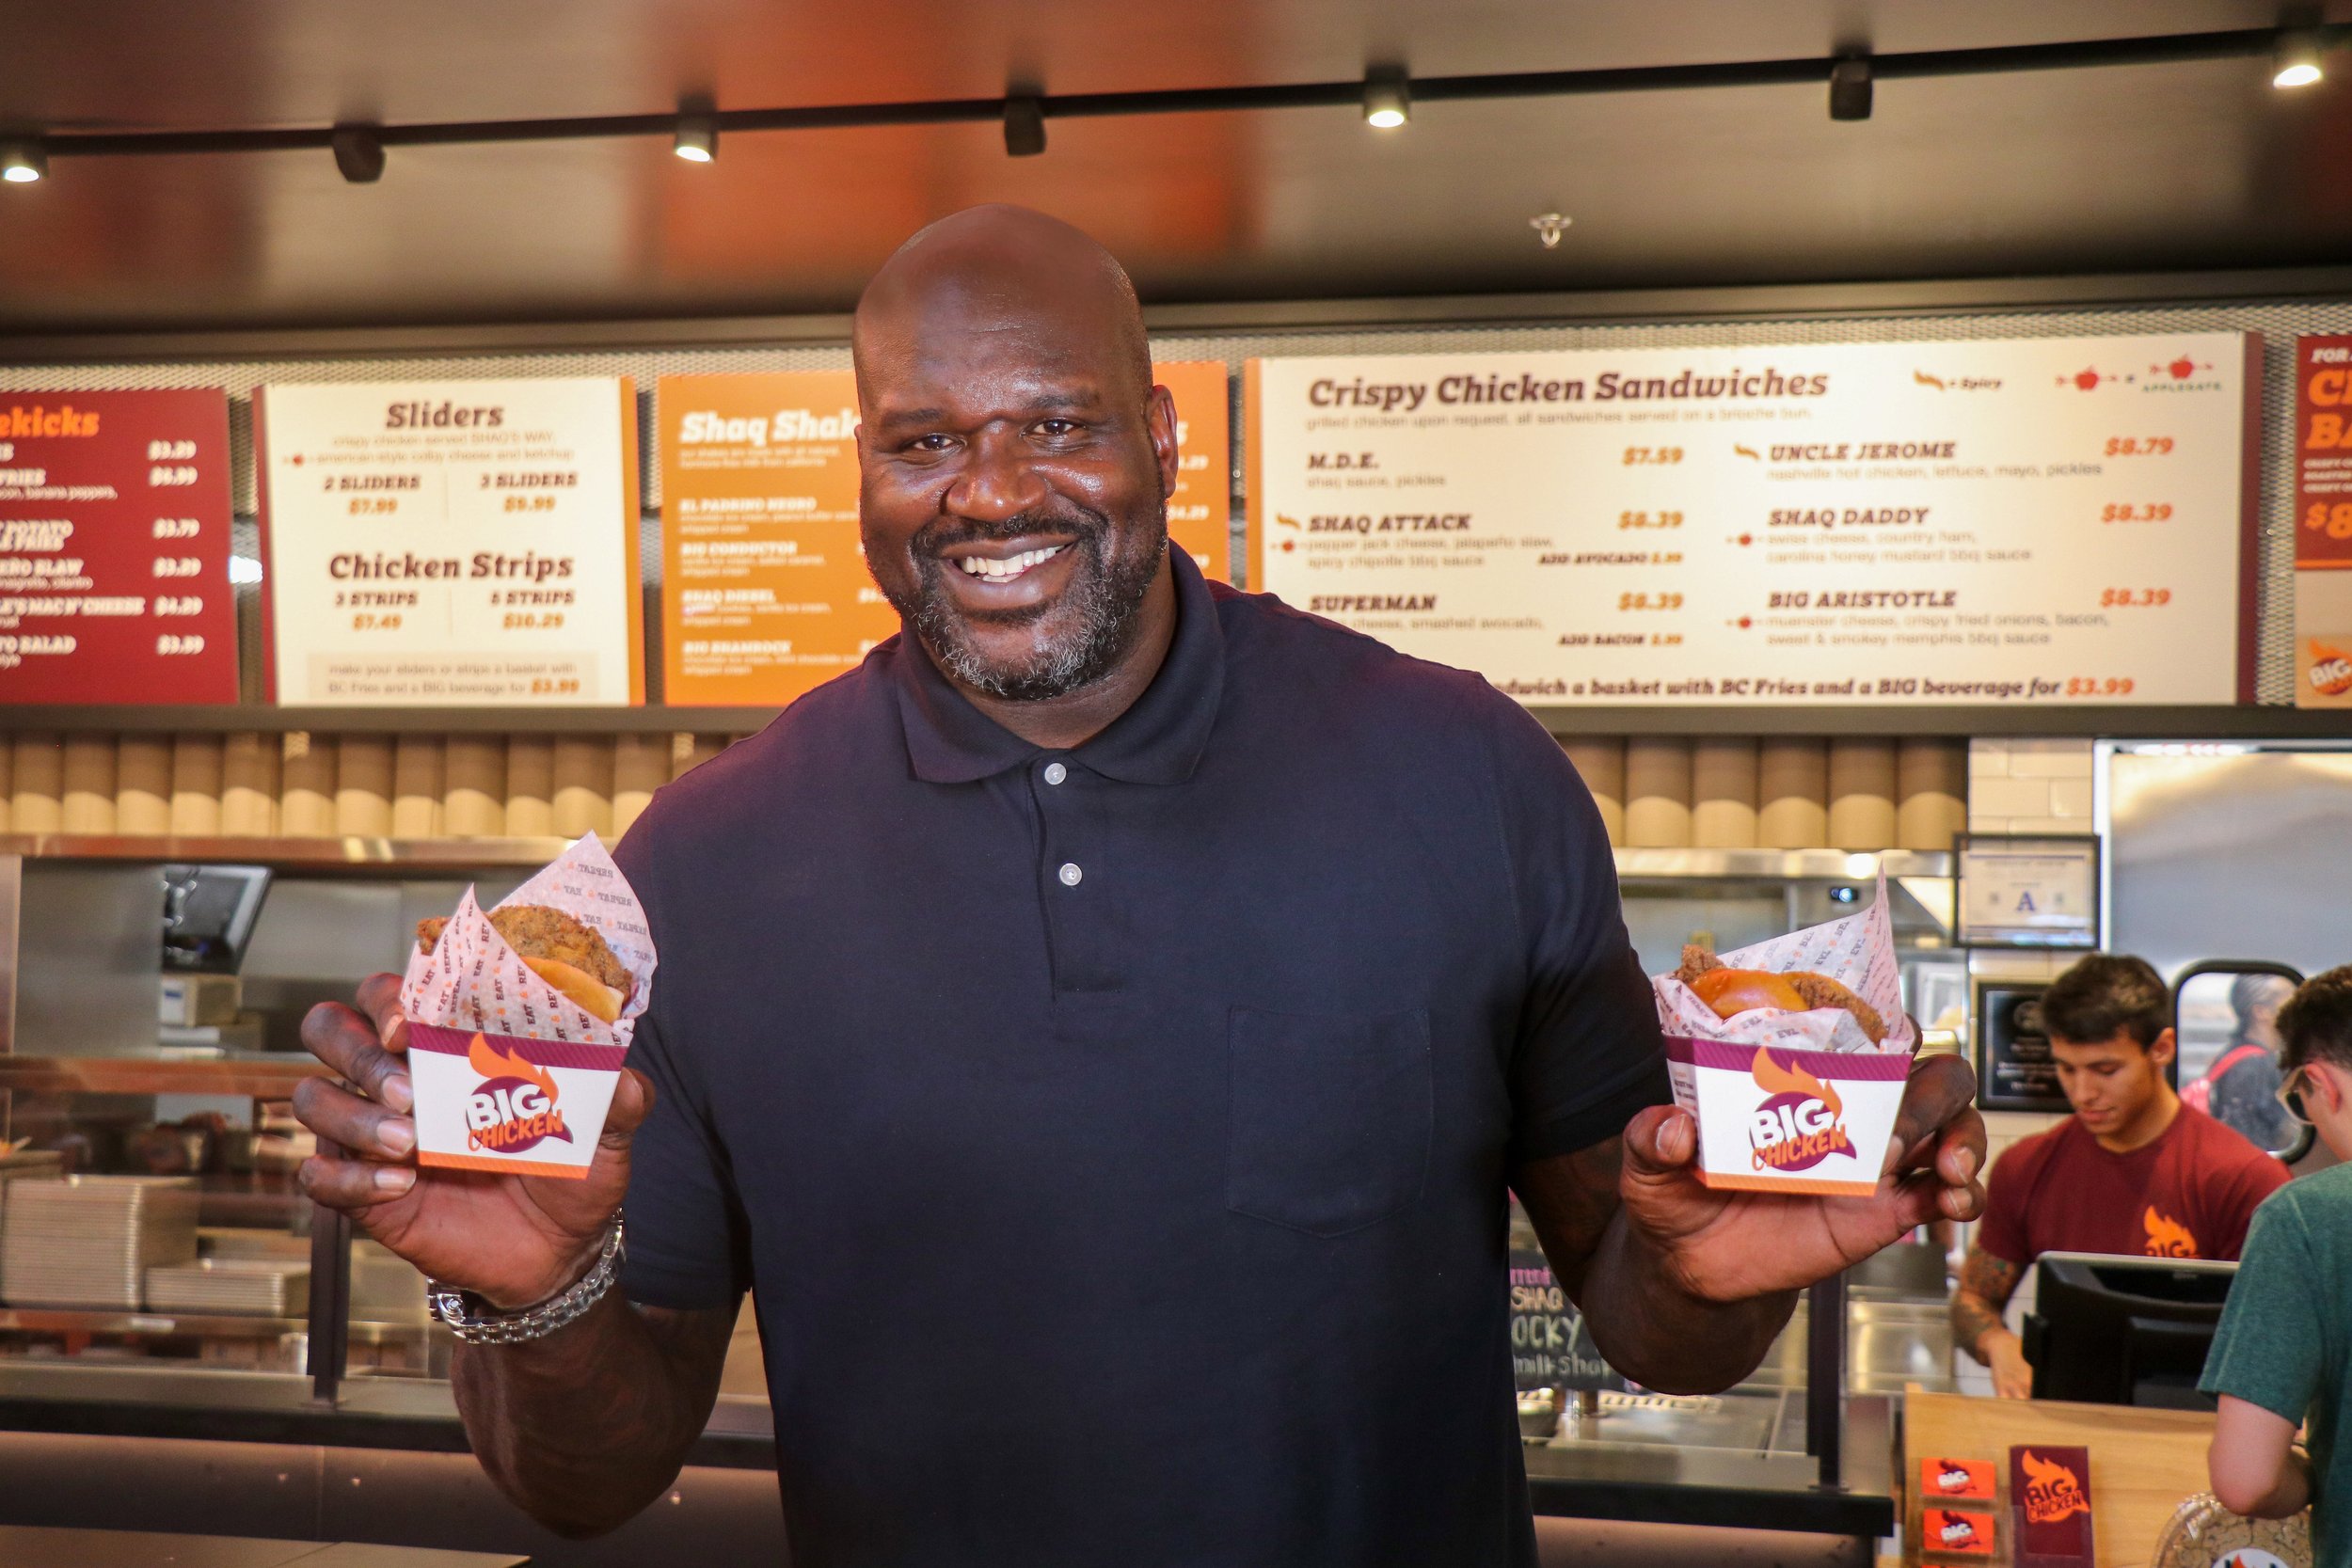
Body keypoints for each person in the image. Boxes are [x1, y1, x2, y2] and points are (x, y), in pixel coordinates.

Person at [290, 205, 1985, 1568]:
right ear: (862, 471)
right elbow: (588, 1481)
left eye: (1058, 422)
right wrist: (536, 1298)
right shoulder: (707, 862)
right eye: (923, 438)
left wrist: (1707, 1267)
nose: (993, 491)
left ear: (1163, 433)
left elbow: (1649, 1310)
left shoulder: (1458, 772)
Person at [1951, 953, 2288, 1400]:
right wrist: (1997, 1344)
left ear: (2162, 1049)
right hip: (2065, 1432)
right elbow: (1973, 1299)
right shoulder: (2026, 1168)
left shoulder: (2244, 1178)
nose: (2083, 1092)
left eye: (2106, 1070)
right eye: (2067, 1068)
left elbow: (2275, 1342)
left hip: (2200, 1434)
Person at [2203, 965, 2352, 1555]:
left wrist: (2322, 1469)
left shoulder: (2307, 1220)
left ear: (2321, 1083)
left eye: (2299, 1099)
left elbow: (2246, 1479)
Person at [2198, 972, 2296, 1154]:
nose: (2298, 1003)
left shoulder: (2232, 1055)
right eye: (2288, 996)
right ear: (2261, 1011)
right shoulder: (2253, 1066)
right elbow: (2254, 1141)